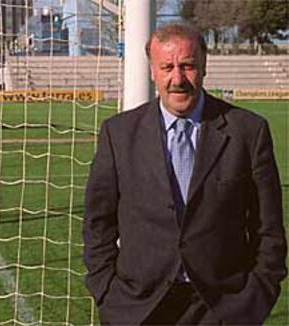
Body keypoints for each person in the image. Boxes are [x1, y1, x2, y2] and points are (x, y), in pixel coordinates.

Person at [83, 23, 287, 325]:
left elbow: (268, 229)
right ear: (153, 71)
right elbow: (98, 224)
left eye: (188, 66)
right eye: (167, 67)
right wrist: (107, 293)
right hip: (138, 309)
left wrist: (255, 299)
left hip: (222, 309)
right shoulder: (119, 134)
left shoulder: (248, 131)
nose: (177, 79)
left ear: (204, 68)